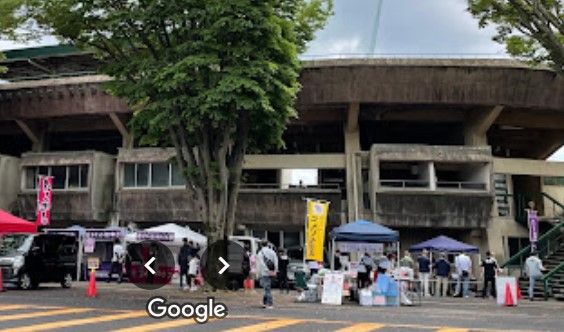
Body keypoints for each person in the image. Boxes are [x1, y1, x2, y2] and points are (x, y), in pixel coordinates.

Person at [257, 240, 278, 309]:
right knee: (267, 287)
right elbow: (276, 261)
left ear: (261, 245)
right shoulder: (272, 252)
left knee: (267, 288)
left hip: (265, 273)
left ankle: (269, 303)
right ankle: (264, 302)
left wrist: (267, 270)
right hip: (272, 271)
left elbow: (261, 264)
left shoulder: (260, 253)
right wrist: (275, 270)